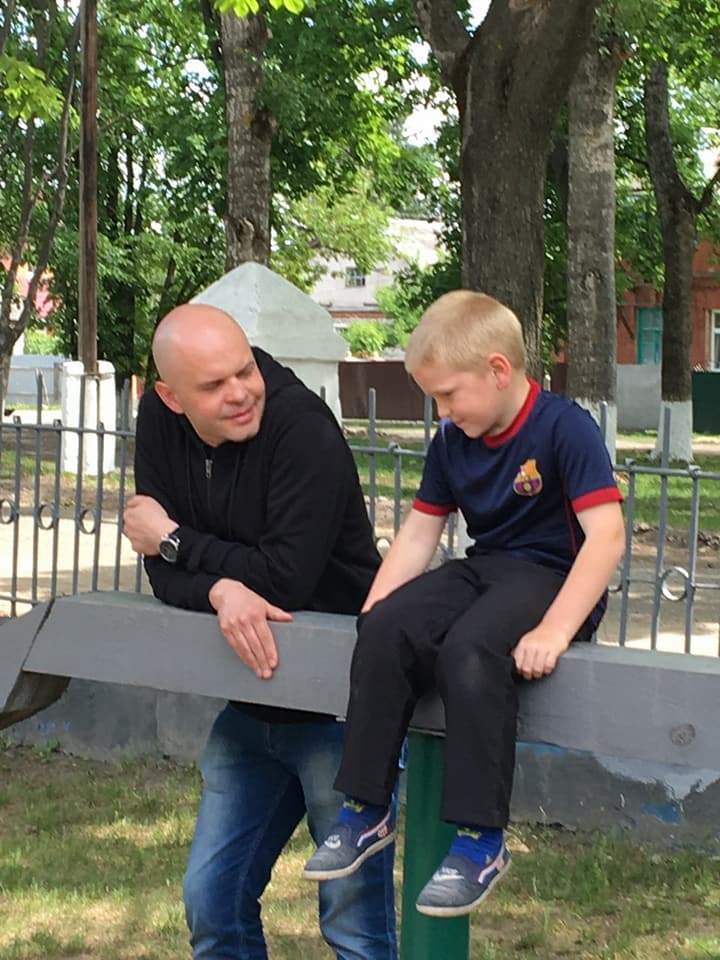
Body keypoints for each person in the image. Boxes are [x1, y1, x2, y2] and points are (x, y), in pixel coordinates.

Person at [303, 290, 625, 917]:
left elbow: (607, 536)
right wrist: (375, 611)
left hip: (556, 580)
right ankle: (365, 809)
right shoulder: (452, 440)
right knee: (387, 627)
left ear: (498, 370)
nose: (442, 410)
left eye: (448, 395)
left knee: (470, 649)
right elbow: (420, 533)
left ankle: (481, 841)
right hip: (487, 570)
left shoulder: (563, 427)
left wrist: (557, 630)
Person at [123, 303, 397, 960]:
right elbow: (159, 571)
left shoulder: (303, 429)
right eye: (214, 386)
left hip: (342, 708)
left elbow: (284, 579)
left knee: (353, 925)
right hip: (250, 705)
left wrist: (177, 541)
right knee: (211, 903)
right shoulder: (158, 420)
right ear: (171, 396)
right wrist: (220, 588)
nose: (242, 393)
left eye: (245, 370)